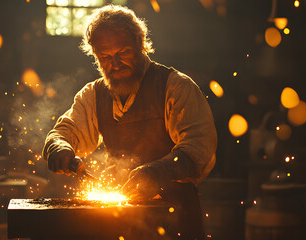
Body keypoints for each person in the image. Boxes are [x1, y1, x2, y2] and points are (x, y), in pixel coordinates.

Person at [43, 5, 217, 239]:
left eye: (123, 52)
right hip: (119, 221)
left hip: (175, 220)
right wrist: (58, 146)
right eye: (105, 57)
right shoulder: (93, 95)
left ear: (140, 42)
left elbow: (199, 148)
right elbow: (64, 132)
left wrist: (159, 172)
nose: (115, 63)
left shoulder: (176, 87)